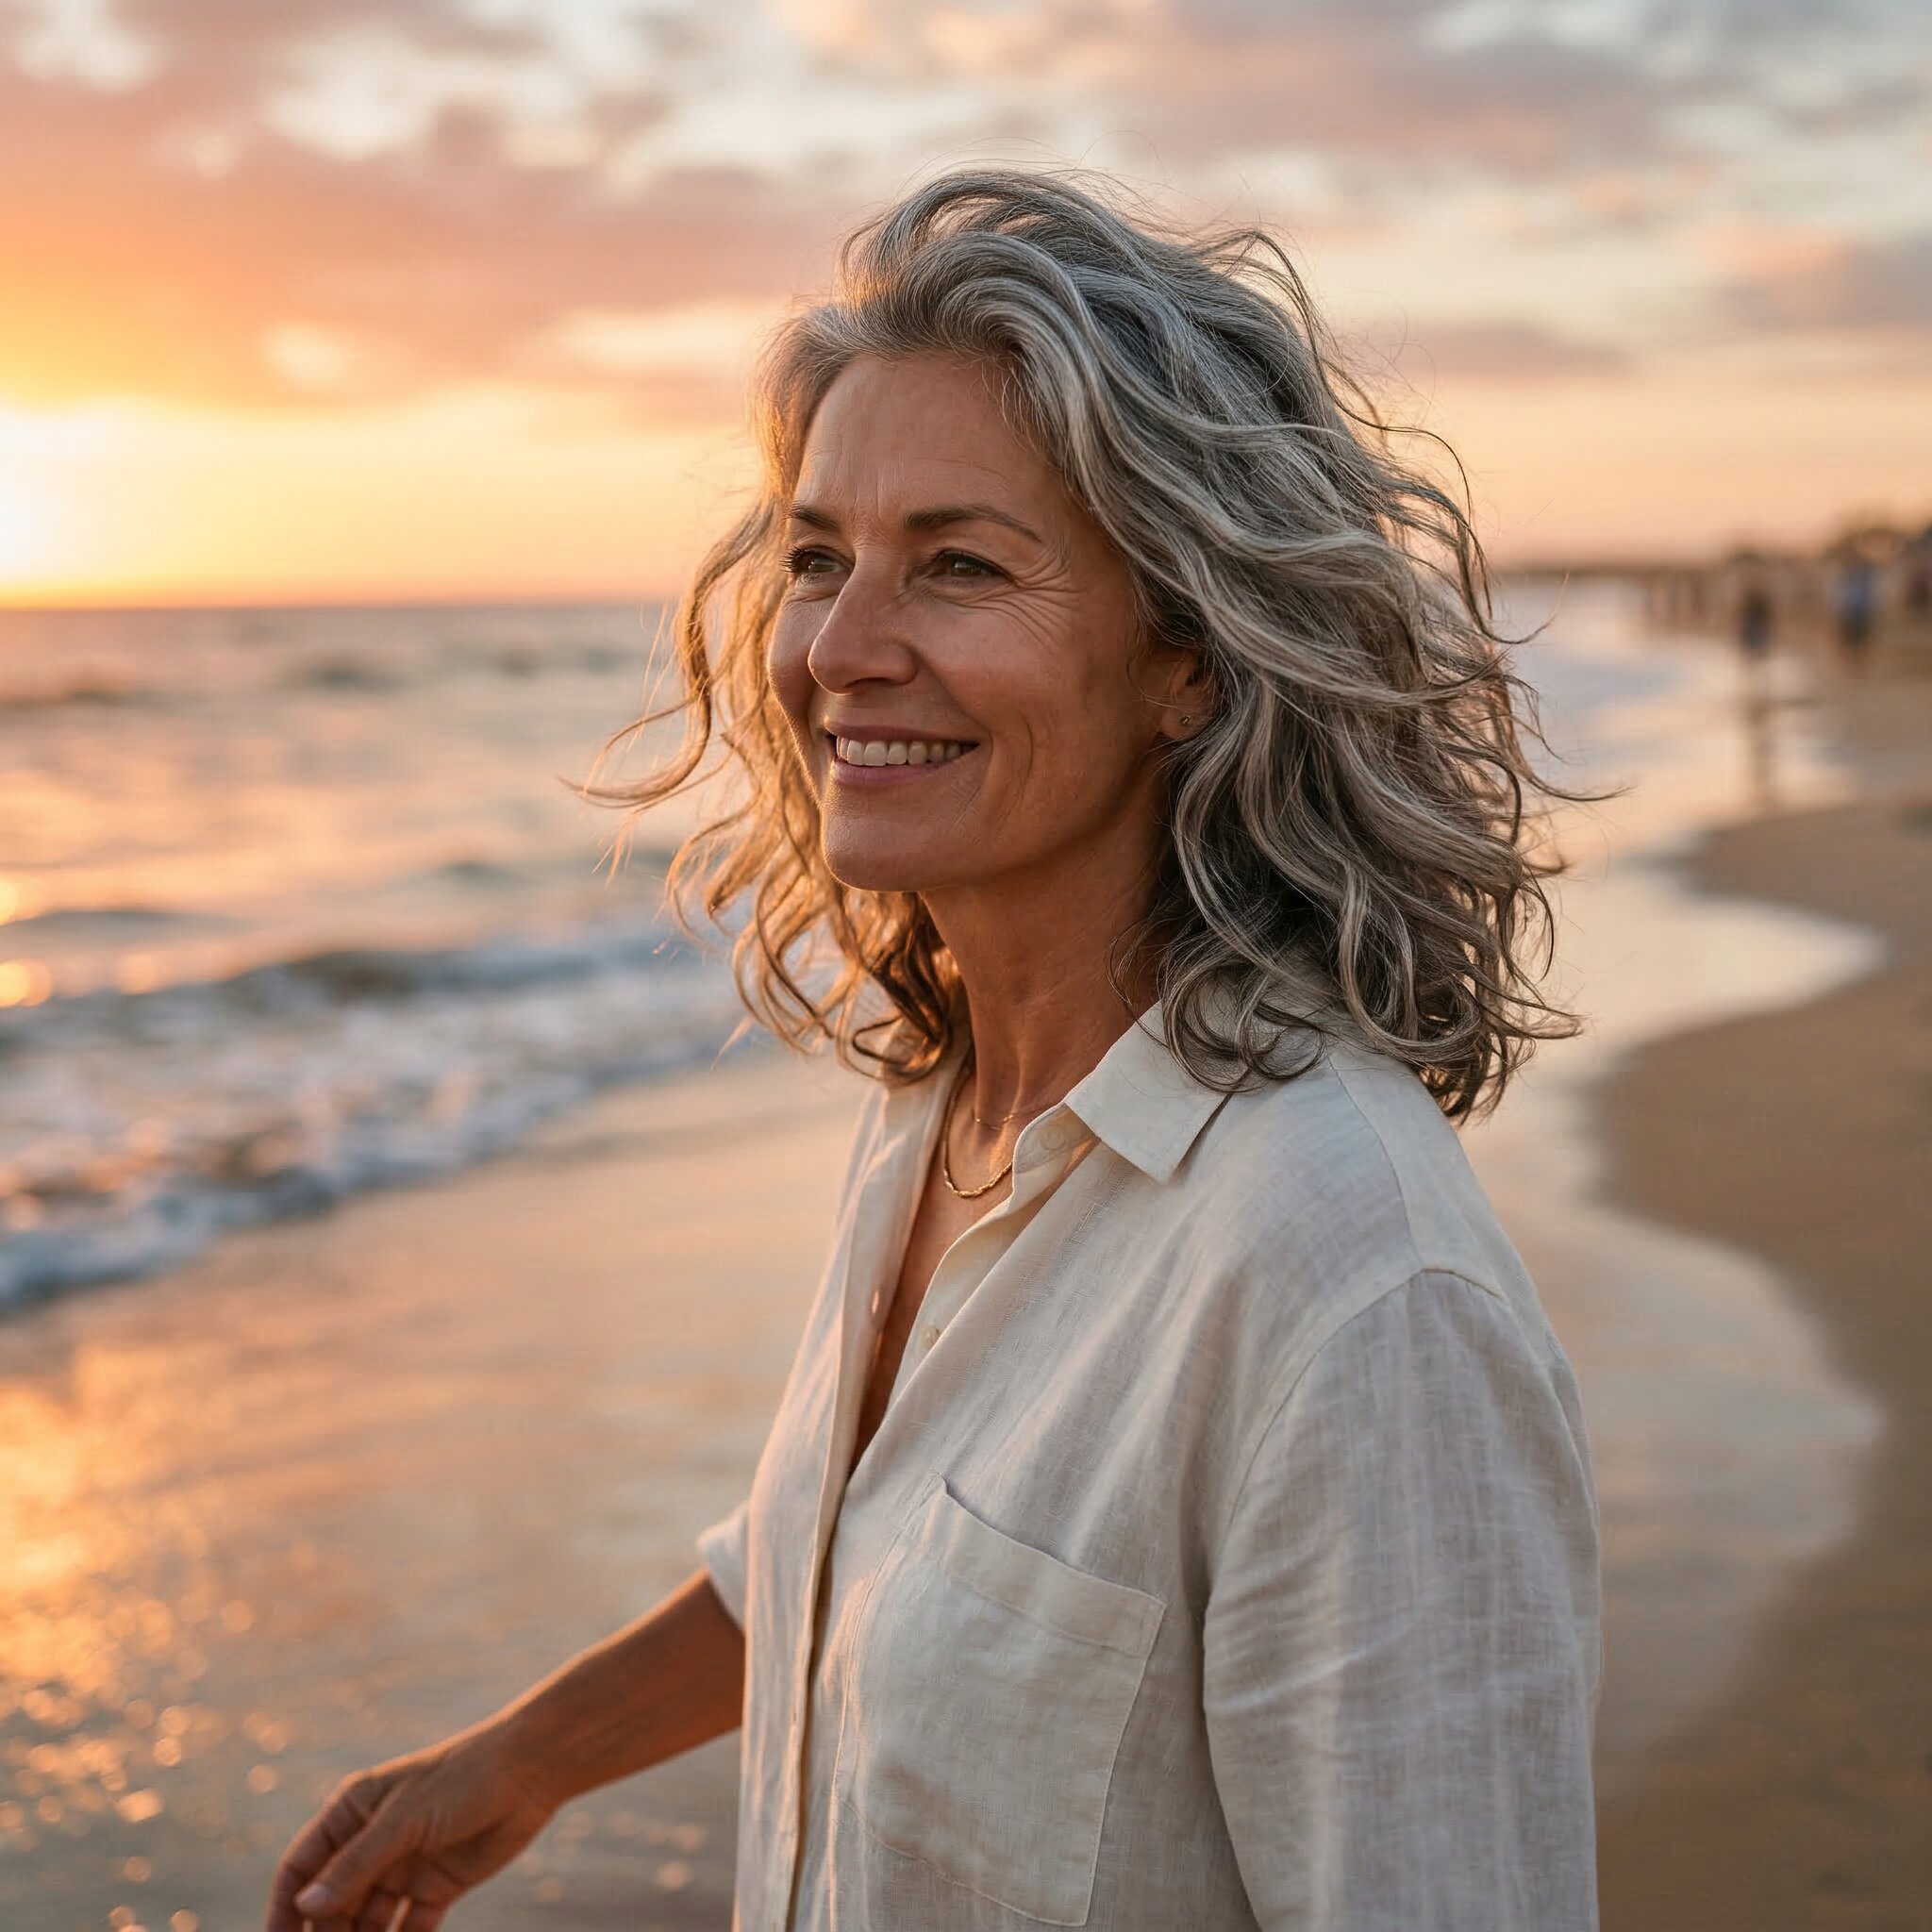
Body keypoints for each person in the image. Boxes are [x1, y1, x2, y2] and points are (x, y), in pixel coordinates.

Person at [267, 170, 1602, 1932]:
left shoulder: (1354, 1290)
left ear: (1188, 658)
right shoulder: (943, 1100)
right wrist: (521, 1760)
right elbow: (868, 1557)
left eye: (959, 566)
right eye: (822, 557)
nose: (841, 648)